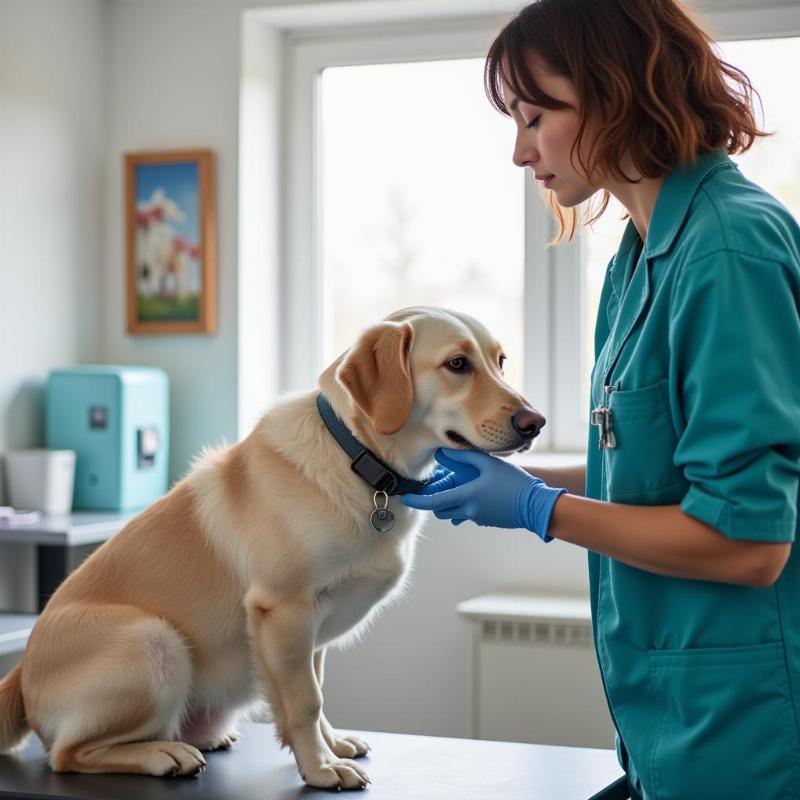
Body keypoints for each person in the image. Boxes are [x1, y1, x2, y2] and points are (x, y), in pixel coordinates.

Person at [400, 1, 800, 798]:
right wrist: (513, 474)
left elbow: (750, 545)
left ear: (615, 92)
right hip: (664, 717)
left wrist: (540, 510)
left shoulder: (729, 248)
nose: (520, 151)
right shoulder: (636, 255)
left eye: (535, 115)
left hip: (745, 722)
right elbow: (654, 473)